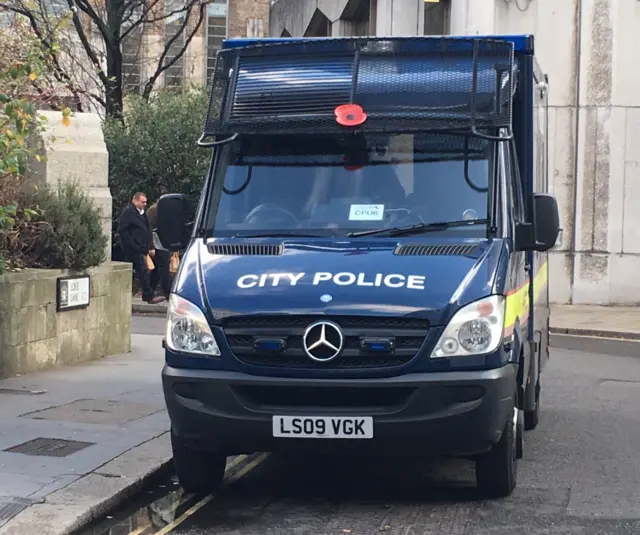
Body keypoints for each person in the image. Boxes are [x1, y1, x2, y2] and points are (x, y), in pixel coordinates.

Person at [117, 192, 165, 304]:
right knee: (142, 270)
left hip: (144, 247)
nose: (145, 204)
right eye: (143, 202)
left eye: (145, 202)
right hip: (134, 248)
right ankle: (149, 295)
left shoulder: (142, 213)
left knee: (154, 268)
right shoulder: (129, 213)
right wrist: (133, 244)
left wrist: (151, 246)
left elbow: (148, 230)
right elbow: (123, 231)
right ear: (136, 201)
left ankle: (149, 291)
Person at [145, 202, 172, 300]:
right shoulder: (159, 211)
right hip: (158, 244)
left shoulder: (154, 210)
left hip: (157, 243)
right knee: (164, 268)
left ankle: (149, 291)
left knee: (156, 270)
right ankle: (167, 292)